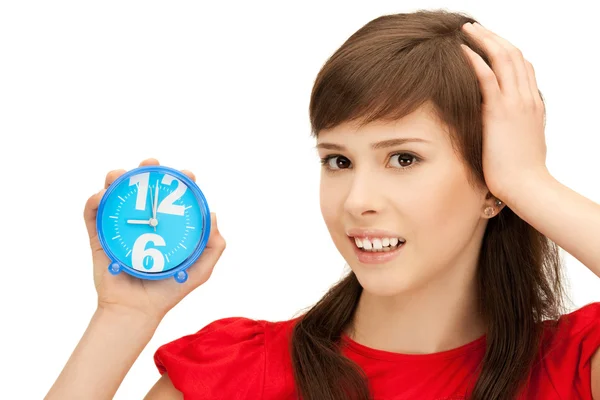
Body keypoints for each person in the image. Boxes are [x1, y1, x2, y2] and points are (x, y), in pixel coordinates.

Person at [46, 9, 600, 400]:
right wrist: (123, 318)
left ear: (491, 187)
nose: (357, 202)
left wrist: (530, 183)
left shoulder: (571, 370)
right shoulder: (239, 375)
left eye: (403, 159)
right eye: (338, 161)